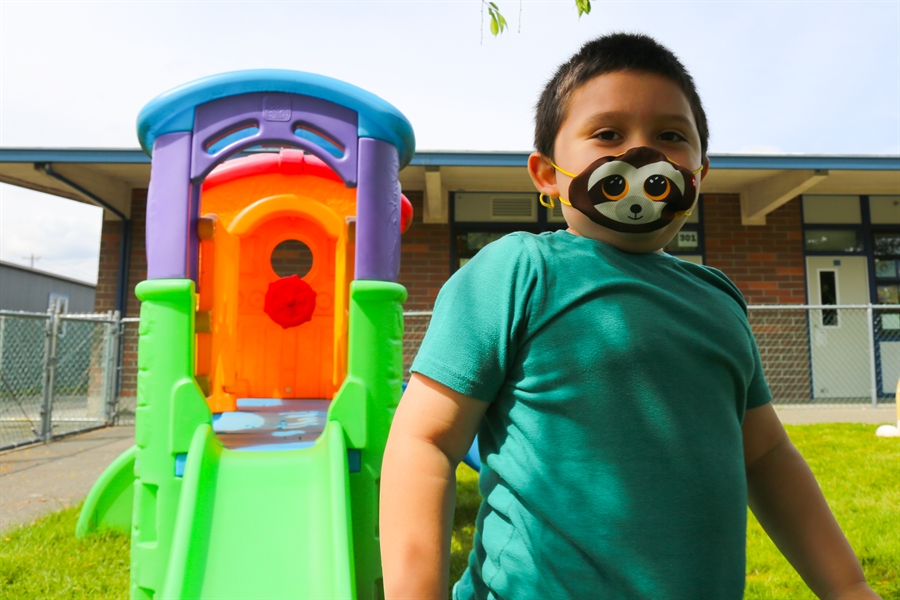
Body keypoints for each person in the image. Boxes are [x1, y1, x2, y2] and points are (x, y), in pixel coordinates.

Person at [380, 33, 879, 600]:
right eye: (608, 134)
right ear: (547, 175)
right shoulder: (518, 270)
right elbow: (425, 440)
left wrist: (847, 586)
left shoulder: (718, 298)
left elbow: (765, 455)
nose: (643, 154)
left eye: (671, 136)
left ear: (699, 174)